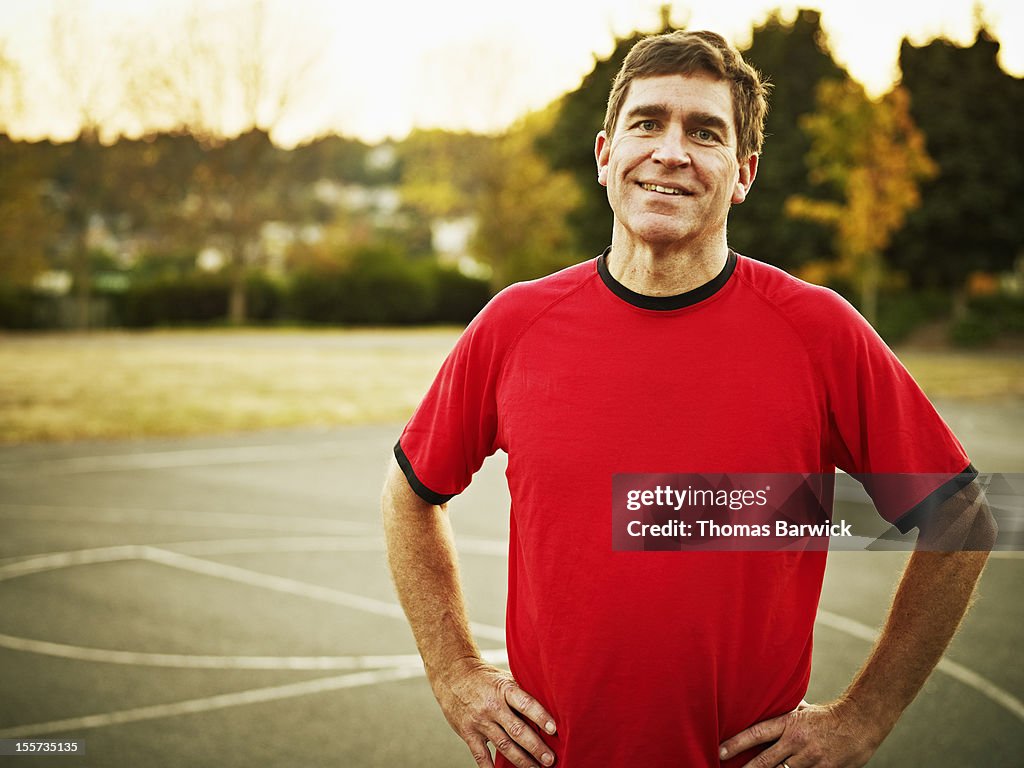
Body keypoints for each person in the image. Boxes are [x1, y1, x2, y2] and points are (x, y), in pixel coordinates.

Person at [381, 29, 996, 768]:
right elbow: (409, 493)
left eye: (704, 132)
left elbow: (963, 519)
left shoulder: (819, 332)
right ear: (607, 155)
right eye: (649, 123)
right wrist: (455, 675)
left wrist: (861, 718)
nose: (671, 151)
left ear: (743, 173)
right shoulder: (516, 324)